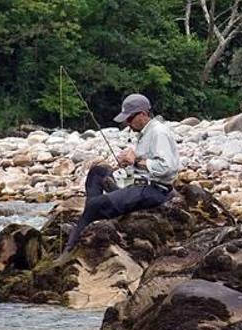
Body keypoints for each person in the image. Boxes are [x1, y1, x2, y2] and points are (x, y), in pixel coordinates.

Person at [63, 93, 182, 253]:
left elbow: (167, 167)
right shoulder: (145, 132)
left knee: (94, 205)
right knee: (97, 172)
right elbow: (146, 161)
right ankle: (91, 219)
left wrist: (136, 161)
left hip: (154, 191)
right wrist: (129, 161)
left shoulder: (158, 132)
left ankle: (70, 249)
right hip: (138, 183)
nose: (127, 123)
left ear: (143, 114)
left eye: (129, 118)